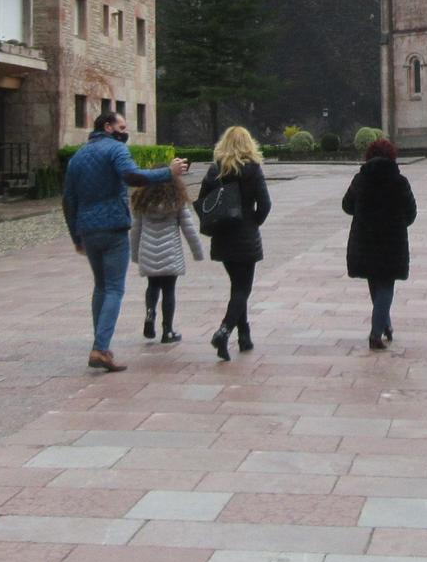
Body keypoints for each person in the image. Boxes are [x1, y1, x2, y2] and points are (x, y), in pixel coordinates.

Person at [63, 111, 190, 372]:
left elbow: (69, 200)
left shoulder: (77, 157)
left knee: (100, 288)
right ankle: (100, 348)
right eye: (122, 126)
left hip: (88, 229)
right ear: (108, 127)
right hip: (113, 227)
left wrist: (76, 236)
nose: (125, 131)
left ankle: (101, 346)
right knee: (113, 289)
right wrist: (169, 172)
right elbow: (132, 177)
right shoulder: (116, 150)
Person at [198, 125, 271, 361]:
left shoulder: (214, 170)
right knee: (243, 289)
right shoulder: (252, 170)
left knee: (236, 286)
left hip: (222, 235)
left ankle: (244, 336)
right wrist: (254, 222)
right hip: (245, 233)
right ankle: (224, 330)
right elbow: (265, 204)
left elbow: (201, 203)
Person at [341, 137, 417, 350]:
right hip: (391, 241)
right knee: (386, 285)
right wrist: (399, 223)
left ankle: (386, 325)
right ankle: (376, 333)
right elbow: (411, 213)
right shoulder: (399, 181)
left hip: (364, 240)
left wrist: (362, 213)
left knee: (376, 284)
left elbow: (347, 206)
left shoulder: (360, 179)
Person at [130, 168, 203, 343]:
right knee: (169, 290)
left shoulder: (142, 201)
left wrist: (135, 254)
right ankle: (167, 330)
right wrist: (197, 251)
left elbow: (135, 229)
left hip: (148, 250)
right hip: (171, 252)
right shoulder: (176, 199)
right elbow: (188, 228)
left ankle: (149, 314)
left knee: (152, 285)